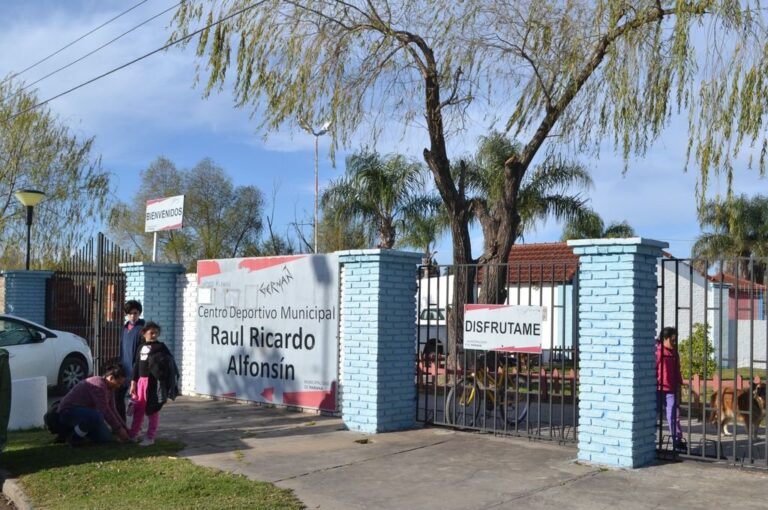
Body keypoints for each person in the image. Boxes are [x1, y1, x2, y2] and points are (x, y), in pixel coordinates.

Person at [129, 321, 178, 447]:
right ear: (144, 333)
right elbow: (136, 366)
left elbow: (170, 364)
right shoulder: (140, 347)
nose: (154, 335)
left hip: (153, 383)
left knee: (152, 410)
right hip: (141, 382)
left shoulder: (161, 347)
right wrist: (133, 382)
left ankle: (150, 437)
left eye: (156, 333)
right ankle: (133, 434)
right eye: (152, 333)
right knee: (138, 408)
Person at [58, 363, 130, 445]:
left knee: (106, 438)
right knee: (96, 416)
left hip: (85, 414)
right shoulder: (98, 385)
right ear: (111, 378)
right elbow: (105, 411)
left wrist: (124, 427)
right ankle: (73, 438)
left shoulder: (110, 388)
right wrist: (118, 429)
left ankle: (78, 432)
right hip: (68, 411)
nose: (119, 386)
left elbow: (113, 409)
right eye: (118, 383)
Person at [656, 326, 685, 451]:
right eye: (672, 340)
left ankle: (677, 440)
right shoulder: (657, 352)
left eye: (675, 340)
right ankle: (648, 440)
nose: (674, 342)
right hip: (657, 389)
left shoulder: (674, 353)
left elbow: (677, 370)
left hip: (671, 389)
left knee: (673, 416)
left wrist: (679, 384)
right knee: (652, 415)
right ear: (665, 338)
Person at [116, 300, 145, 421]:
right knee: (117, 397)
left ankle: (135, 429)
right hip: (123, 369)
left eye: (135, 313)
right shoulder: (124, 328)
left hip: (135, 370)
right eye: (130, 313)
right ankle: (120, 424)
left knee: (136, 401)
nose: (133, 316)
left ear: (139, 313)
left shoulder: (142, 329)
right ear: (126, 314)